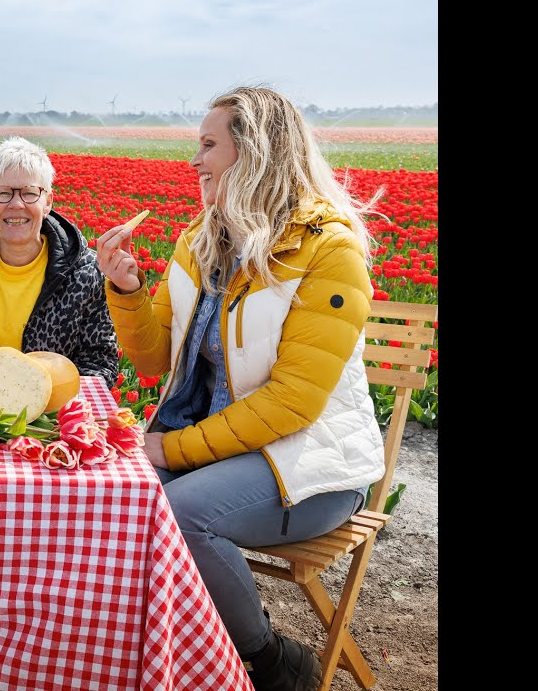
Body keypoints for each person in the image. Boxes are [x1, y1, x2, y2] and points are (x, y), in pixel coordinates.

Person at [94, 85, 386, 691]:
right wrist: (126, 291)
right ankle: (155, 656)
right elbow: (154, 360)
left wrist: (170, 449)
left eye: (208, 145)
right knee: (115, 496)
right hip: (219, 447)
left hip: (309, 463)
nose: (194, 160)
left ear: (254, 153)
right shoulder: (202, 241)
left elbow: (292, 403)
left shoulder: (327, 251)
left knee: (181, 516)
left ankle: (273, 660)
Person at [0, 135, 119, 387]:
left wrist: (55, 391)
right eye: (4, 193)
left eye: (30, 193)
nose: (16, 204)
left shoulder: (86, 272)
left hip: (53, 407)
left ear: (47, 202)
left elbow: (101, 363)